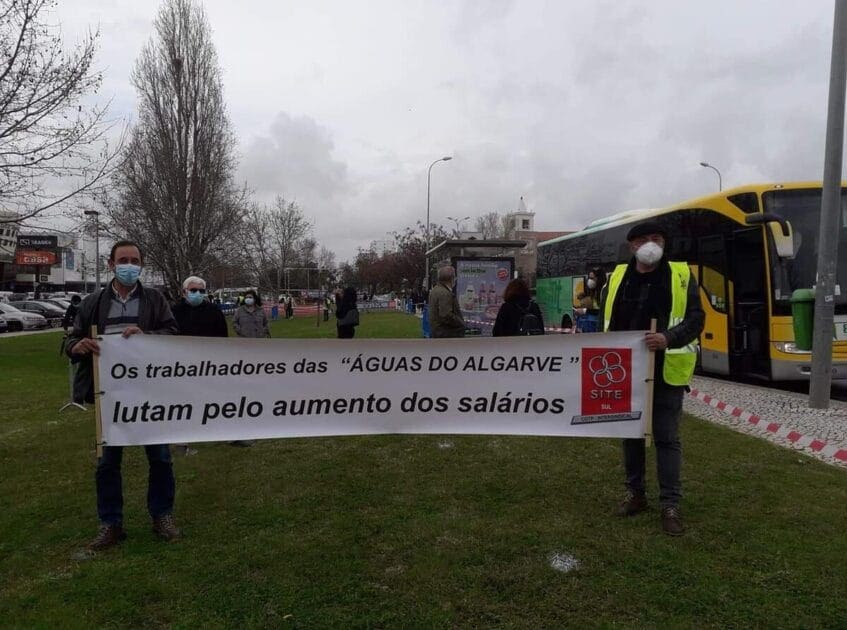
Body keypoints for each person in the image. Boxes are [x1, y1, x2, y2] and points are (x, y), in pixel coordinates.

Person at [65, 240, 180, 551]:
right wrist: (77, 346)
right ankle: (111, 523)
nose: (130, 265)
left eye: (135, 260)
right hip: (109, 397)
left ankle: (162, 516)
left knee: (160, 458)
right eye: (123, 259)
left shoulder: (155, 300)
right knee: (107, 464)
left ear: (142, 264)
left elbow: (173, 334)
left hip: (150, 395)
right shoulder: (93, 302)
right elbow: (71, 339)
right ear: (111, 265)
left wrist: (149, 338)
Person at [600, 221, 704, 536]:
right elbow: (607, 317)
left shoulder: (681, 276)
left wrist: (668, 338)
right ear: (632, 245)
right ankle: (635, 494)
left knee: (666, 438)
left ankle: (670, 504)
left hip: (665, 370)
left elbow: (697, 318)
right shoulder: (618, 277)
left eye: (657, 238)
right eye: (643, 239)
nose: (650, 244)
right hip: (624, 370)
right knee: (630, 433)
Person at [171, 275, 228, 456]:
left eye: (201, 291)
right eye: (193, 290)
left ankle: (224, 434)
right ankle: (182, 441)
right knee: (183, 403)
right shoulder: (173, 311)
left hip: (210, 366)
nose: (197, 294)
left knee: (215, 400)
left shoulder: (214, 311)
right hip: (181, 366)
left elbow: (223, 339)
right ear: (184, 292)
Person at [428, 266, 465, 338]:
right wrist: (460, 322)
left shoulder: (435, 290)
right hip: (447, 334)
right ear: (452, 278)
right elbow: (446, 315)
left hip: (437, 332)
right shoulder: (445, 293)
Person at [575, 267, 606, 332]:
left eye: (592, 278)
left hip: (597, 325)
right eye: (589, 278)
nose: (589, 280)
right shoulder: (592, 292)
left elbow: (602, 311)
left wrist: (585, 310)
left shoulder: (604, 291)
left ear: (599, 279)